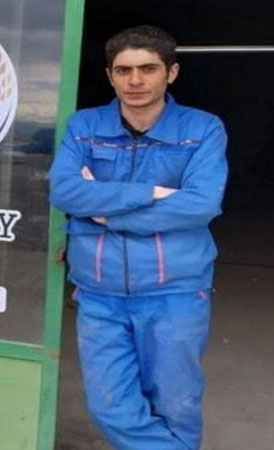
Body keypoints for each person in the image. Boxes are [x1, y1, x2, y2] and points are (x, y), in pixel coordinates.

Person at [49, 25, 228, 449]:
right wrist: (149, 194)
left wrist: (106, 214)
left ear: (171, 72)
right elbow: (64, 191)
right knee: (109, 406)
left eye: (148, 69)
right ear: (110, 76)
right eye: (123, 70)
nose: (135, 80)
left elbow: (201, 203)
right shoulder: (84, 126)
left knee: (175, 404)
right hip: (100, 294)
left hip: (175, 292)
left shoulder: (202, 128)